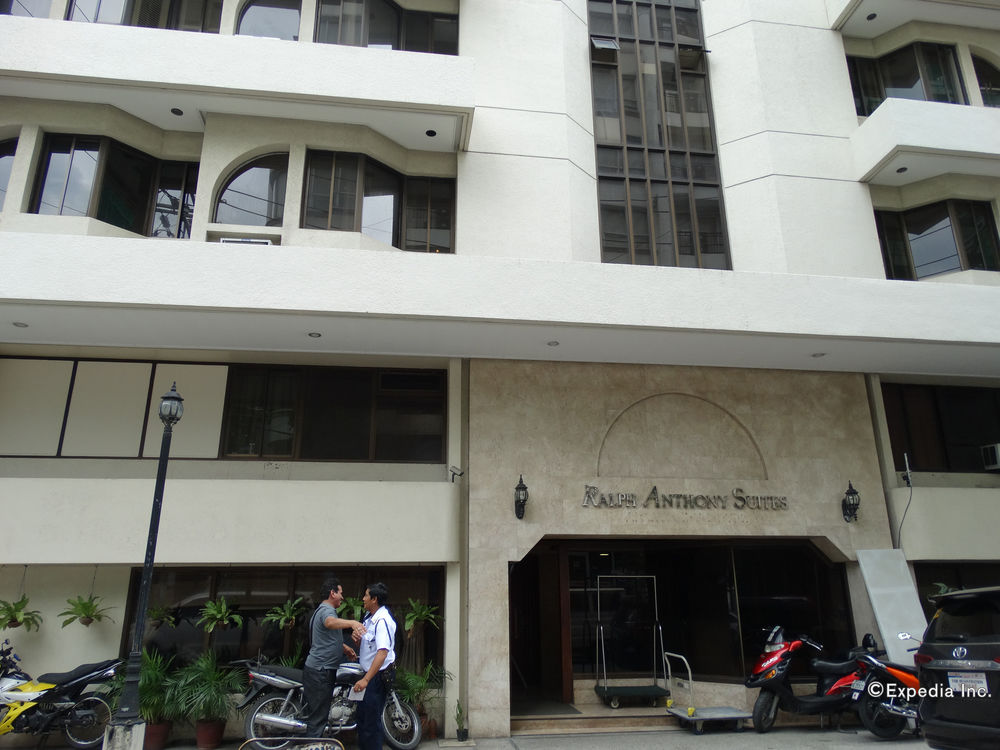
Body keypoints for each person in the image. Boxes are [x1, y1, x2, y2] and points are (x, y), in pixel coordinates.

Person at [303, 577, 366, 738]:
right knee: (318, 717)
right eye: (340, 593)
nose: (342, 597)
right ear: (333, 593)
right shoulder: (327, 611)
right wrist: (352, 623)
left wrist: (345, 648)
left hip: (320, 669)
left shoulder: (323, 609)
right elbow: (329, 623)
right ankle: (313, 745)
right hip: (321, 670)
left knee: (319, 714)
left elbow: (326, 637)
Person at [353, 582, 396, 750]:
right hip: (367, 674)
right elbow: (368, 645)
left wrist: (366, 679)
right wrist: (357, 640)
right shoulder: (368, 617)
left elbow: (382, 652)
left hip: (376, 676)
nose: (363, 599)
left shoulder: (382, 620)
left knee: (371, 722)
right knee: (363, 719)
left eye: (366, 595)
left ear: (374, 599)